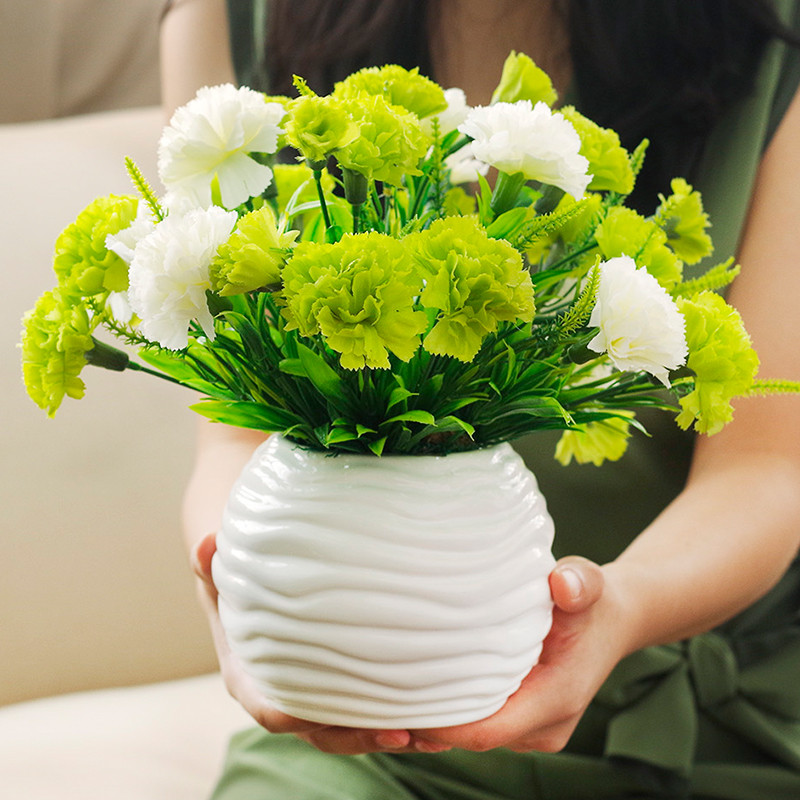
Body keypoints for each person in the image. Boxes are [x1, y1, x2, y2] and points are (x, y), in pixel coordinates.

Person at [161, 1, 800, 797]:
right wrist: (245, 597)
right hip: (377, 739)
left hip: (718, 730)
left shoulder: (772, 42)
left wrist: (618, 611)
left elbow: (763, 472)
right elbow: (230, 436)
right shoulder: (223, 19)